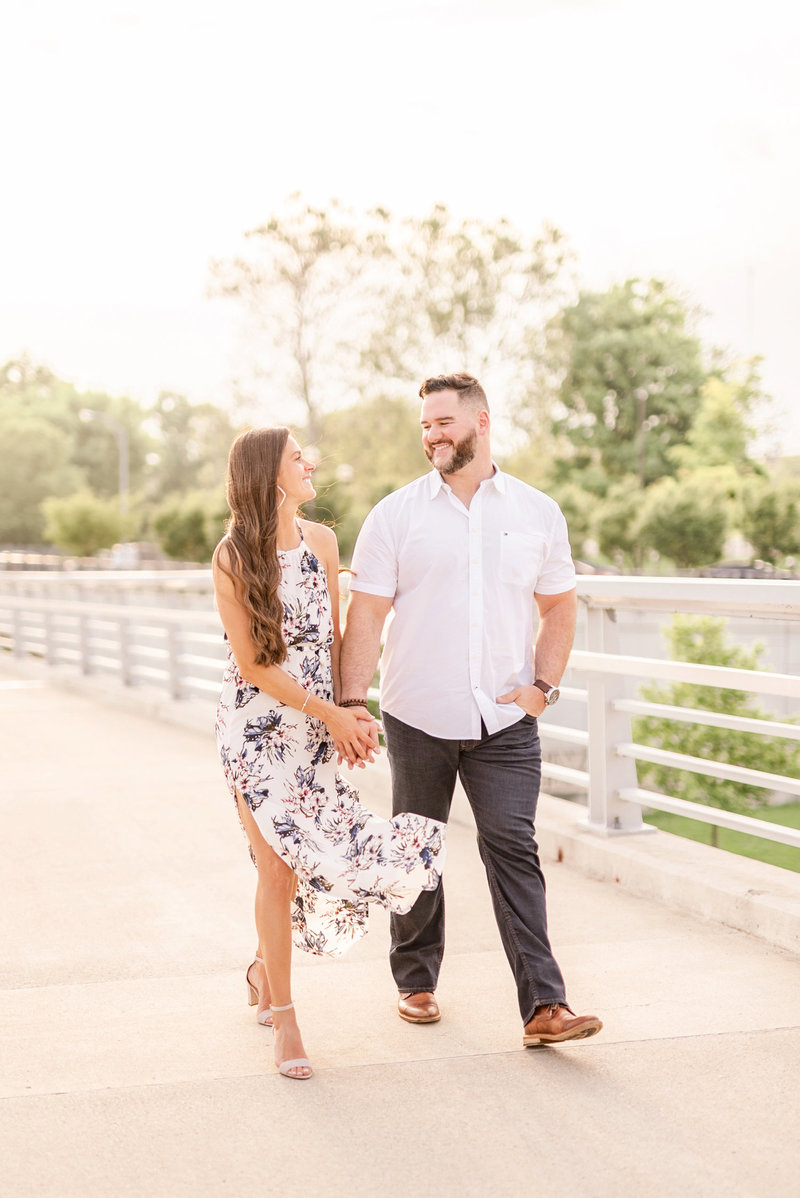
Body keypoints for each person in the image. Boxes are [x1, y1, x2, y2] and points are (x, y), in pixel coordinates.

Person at [340, 373, 602, 1048]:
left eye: (444, 422)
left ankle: (545, 1004)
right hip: (417, 710)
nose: (431, 434)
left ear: (482, 423)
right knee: (416, 847)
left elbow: (561, 604)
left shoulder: (537, 511)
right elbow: (365, 613)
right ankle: (416, 981)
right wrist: (348, 702)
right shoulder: (395, 515)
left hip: (506, 720)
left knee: (512, 845)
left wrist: (543, 687)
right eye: (425, 424)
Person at [213, 427, 446, 1080]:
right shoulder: (232, 556)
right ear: (268, 475)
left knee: (322, 859)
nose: (309, 463)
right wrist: (329, 714)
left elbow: (339, 637)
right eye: (296, 458)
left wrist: (353, 707)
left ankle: (263, 968)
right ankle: (284, 1018)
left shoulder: (321, 542)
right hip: (256, 734)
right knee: (277, 870)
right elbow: (258, 666)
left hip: (315, 734)